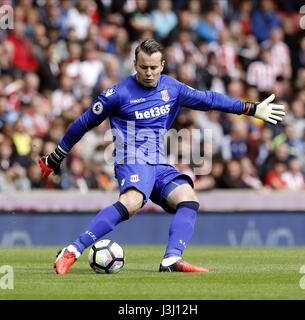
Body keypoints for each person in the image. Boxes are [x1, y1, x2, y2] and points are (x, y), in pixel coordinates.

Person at [39, 39, 285, 274]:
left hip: (158, 161)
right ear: (135, 65)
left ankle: (172, 258)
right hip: (131, 157)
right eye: (143, 67)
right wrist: (56, 156)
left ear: (162, 66)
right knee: (132, 202)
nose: (148, 72)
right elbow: (82, 124)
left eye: (153, 68)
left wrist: (251, 108)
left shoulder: (172, 88)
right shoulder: (117, 94)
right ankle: (72, 250)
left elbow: (209, 99)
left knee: (188, 199)